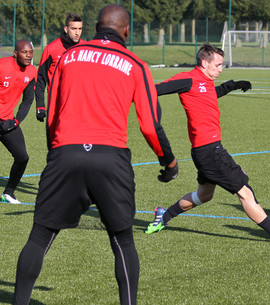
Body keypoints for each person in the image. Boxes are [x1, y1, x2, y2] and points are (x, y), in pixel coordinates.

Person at [13, 5, 177, 304]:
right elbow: (150, 123)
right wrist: (169, 162)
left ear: (95, 26)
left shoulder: (68, 57)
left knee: (39, 237)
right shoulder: (135, 64)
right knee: (123, 241)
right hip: (110, 158)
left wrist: (56, 152)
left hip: (65, 152)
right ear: (126, 30)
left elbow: (52, 113)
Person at [144, 43, 270, 245]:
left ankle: (163, 216)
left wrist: (234, 84)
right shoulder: (188, 79)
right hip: (209, 151)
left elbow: (211, 93)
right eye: (218, 65)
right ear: (204, 63)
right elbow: (154, 90)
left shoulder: (205, 81)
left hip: (207, 150)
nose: (221, 69)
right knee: (245, 192)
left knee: (204, 195)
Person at [0, 40, 37, 204]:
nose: (28, 55)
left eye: (30, 52)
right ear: (15, 53)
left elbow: (28, 100)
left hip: (7, 122)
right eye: (25, 52)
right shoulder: (2, 66)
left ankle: (8, 193)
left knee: (22, 157)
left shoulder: (32, 72)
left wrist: (15, 122)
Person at [35, 12, 85, 122]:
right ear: (66, 29)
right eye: (74, 29)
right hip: (56, 109)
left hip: (80, 108)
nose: (77, 33)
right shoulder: (51, 49)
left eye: (80, 29)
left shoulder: (85, 49)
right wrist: (40, 105)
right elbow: (40, 78)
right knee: (55, 139)